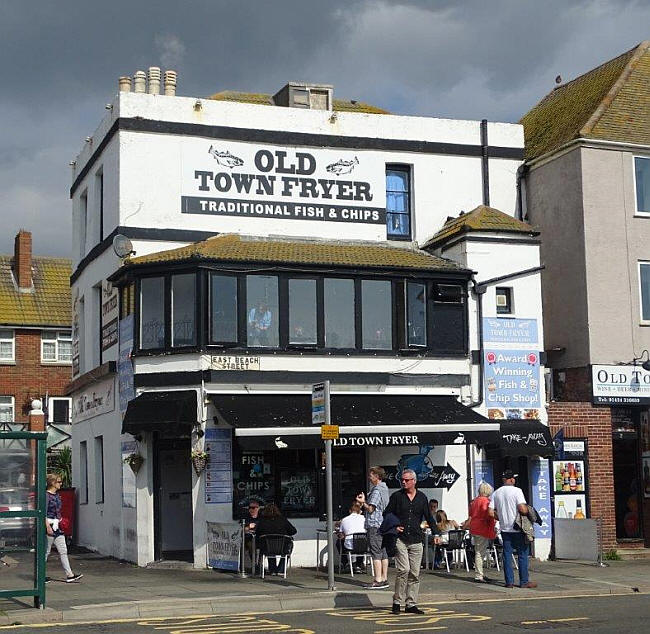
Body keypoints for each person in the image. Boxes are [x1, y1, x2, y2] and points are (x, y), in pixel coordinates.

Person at [384, 469, 440, 615]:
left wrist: (436, 533)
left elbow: (429, 517)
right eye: (402, 480)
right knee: (404, 570)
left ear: (414, 481)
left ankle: (411, 604)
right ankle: (397, 602)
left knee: (415, 573)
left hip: (416, 538)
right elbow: (387, 513)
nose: (403, 482)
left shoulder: (422, 498)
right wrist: (395, 526)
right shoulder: (397, 496)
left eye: (407, 480)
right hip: (400, 539)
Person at [489, 470, 537, 588]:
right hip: (518, 527)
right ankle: (524, 581)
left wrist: (500, 517)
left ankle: (509, 582)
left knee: (507, 556)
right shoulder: (517, 491)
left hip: (505, 529)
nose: (514, 480)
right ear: (510, 479)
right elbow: (522, 509)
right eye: (513, 478)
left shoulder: (496, 493)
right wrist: (528, 510)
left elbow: (490, 512)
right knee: (522, 555)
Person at [357, 466, 390, 589]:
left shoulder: (376, 490)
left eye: (371, 475)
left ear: (377, 476)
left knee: (375, 551)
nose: (369, 477)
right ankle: (384, 578)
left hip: (375, 524)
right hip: (383, 524)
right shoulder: (385, 489)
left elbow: (371, 509)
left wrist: (362, 502)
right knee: (383, 552)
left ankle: (377, 580)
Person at [45, 473, 82, 583]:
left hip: (58, 527)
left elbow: (58, 511)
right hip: (50, 526)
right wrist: (47, 527)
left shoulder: (57, 495)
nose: (61, 484)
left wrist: (61, 521)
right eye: (59, 482)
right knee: (46, 552)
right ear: (52, 483)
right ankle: (40, 575)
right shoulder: (46, 496)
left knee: (63, 550)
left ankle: (69, 575)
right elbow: (43, 512)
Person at [254, 503, 296, 575]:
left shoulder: (262, 521)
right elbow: (293, 531)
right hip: (282, 548)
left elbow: (257, 533)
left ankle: (272, 569)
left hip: (267, 548)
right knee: (289, 547)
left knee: (268, 546)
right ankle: (281, 569)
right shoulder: (283, 520)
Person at [467, 482, 496, 583]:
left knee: (479, 551)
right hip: (482, 527)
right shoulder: (486, 501)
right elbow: (488, 513)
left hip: (474, 527)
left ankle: (480, 573)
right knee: (480, 552)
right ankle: (479, 575)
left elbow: (471, 514)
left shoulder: (475, 501)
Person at [337, 501, 366, 572]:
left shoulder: (344, 520)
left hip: (350, 545)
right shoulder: (365, 518)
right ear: (360, 511)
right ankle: (359, 564)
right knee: (360, 543)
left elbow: (341, 534)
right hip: (364, 545)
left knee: (339, 542)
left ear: (350, 511)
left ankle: (346, 563)